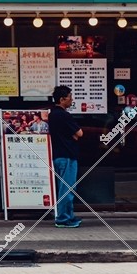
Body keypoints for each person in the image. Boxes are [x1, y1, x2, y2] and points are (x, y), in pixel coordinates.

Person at [48, 85, 84, 228]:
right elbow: (79, 133)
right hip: (67, 155)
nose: (72, 100)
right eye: (70, 97)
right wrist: (74, 135)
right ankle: (63, 219)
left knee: (65, 188)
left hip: (58, 154)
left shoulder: (52, 114)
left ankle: (69, 216)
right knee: (67, 189)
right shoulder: (64, 115)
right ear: (62, 99)